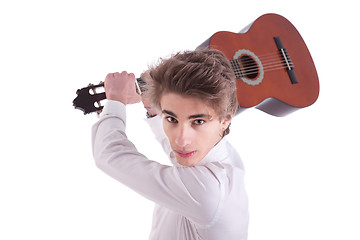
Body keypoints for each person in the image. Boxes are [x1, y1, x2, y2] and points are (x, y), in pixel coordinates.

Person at [92, 49, 249, 240]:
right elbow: (183, 155)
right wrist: (152, 106)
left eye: (198, 122)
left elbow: (109, 156)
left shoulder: (207, 191)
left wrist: (115, 100)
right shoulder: (221, 154)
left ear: (226, 118)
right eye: (171, 118)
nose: (181, 141)